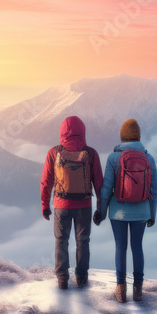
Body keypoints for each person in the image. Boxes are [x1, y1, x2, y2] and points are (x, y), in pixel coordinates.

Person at [97, 118, 157, 303]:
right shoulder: (148, 158)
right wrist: (152, 214)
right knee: (137, 247)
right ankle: (138, 289)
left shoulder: (113, 158)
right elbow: (154, 189)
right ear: (138, 136)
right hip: (141, 211)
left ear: (122, 137)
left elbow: (106, 188)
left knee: (120, 247)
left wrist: (101, 212)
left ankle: (121, 288)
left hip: (118, 213)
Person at [41, 115, 103, 290]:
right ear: (83, 131)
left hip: (61, 206)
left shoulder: (54, 152)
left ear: (62, 132)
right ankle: (81, 278)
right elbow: (99, 183)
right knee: (83, 241)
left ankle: (62, 279)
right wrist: (101, 209)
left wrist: (45, 205)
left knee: (61, 241)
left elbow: (46, 181)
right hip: (84, 206)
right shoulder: (91, 153)